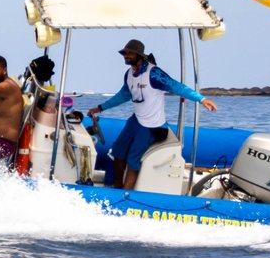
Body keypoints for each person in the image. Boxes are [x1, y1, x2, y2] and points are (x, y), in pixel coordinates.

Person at [87, 38, 218, 191]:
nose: (126, 55)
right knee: (117, 153)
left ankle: (126, 195)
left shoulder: (154, 74)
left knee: (133, 159)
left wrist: (201, 99)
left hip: (152, 124)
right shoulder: (129, 74)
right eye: (124, 53)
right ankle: (116, 190)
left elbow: (178, 87)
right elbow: (123, 95)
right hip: (136, 120)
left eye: (130, 53)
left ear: (139, 55)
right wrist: (101, 107)